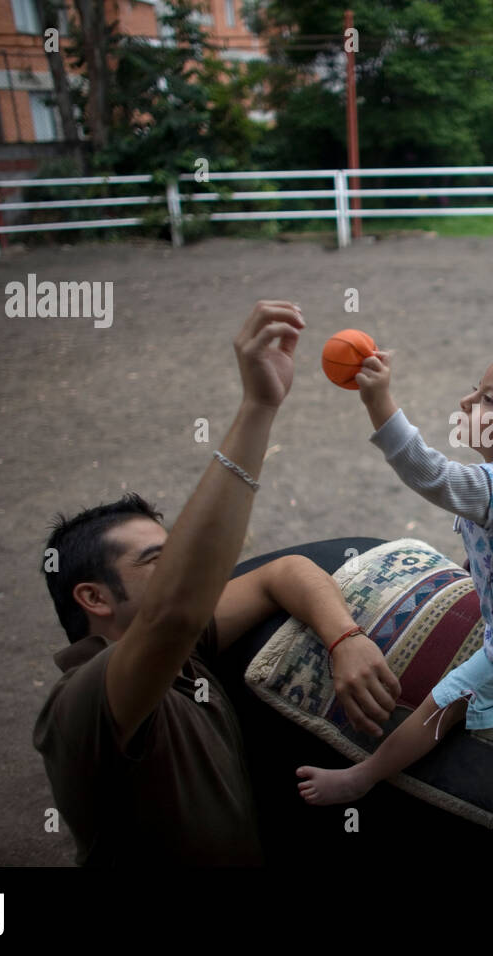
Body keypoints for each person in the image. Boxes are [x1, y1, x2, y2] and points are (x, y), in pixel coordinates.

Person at [32, 301, 401, 865]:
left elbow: (283, 573)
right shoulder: (84, 703)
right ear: (94, 597)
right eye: (159, 558)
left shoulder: (183, 651)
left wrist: (345, 639)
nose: (179, 568)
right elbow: (175, 611)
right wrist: (257, 408)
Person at [295, 331, 493, 806]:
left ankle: (363, 776)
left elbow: (429, 472)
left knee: (446, 699)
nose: (465, 401)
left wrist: (378, 401)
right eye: (474, 388)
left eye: (487, 399)